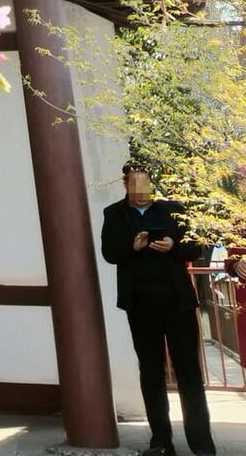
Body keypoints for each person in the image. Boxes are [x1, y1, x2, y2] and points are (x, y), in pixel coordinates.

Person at [101, 163, 216, 456]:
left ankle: (201, 443)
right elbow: (109, 253)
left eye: (146, 183)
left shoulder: (171, 209)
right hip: (140, 304)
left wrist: (173, 246)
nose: (142, 190)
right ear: (125, 184)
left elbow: (196, 248)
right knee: (150, 372)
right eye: (135, 183)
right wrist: (134, 247)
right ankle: (161, 441)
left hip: (177, 301)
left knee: (188, 371)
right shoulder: (114, 214)